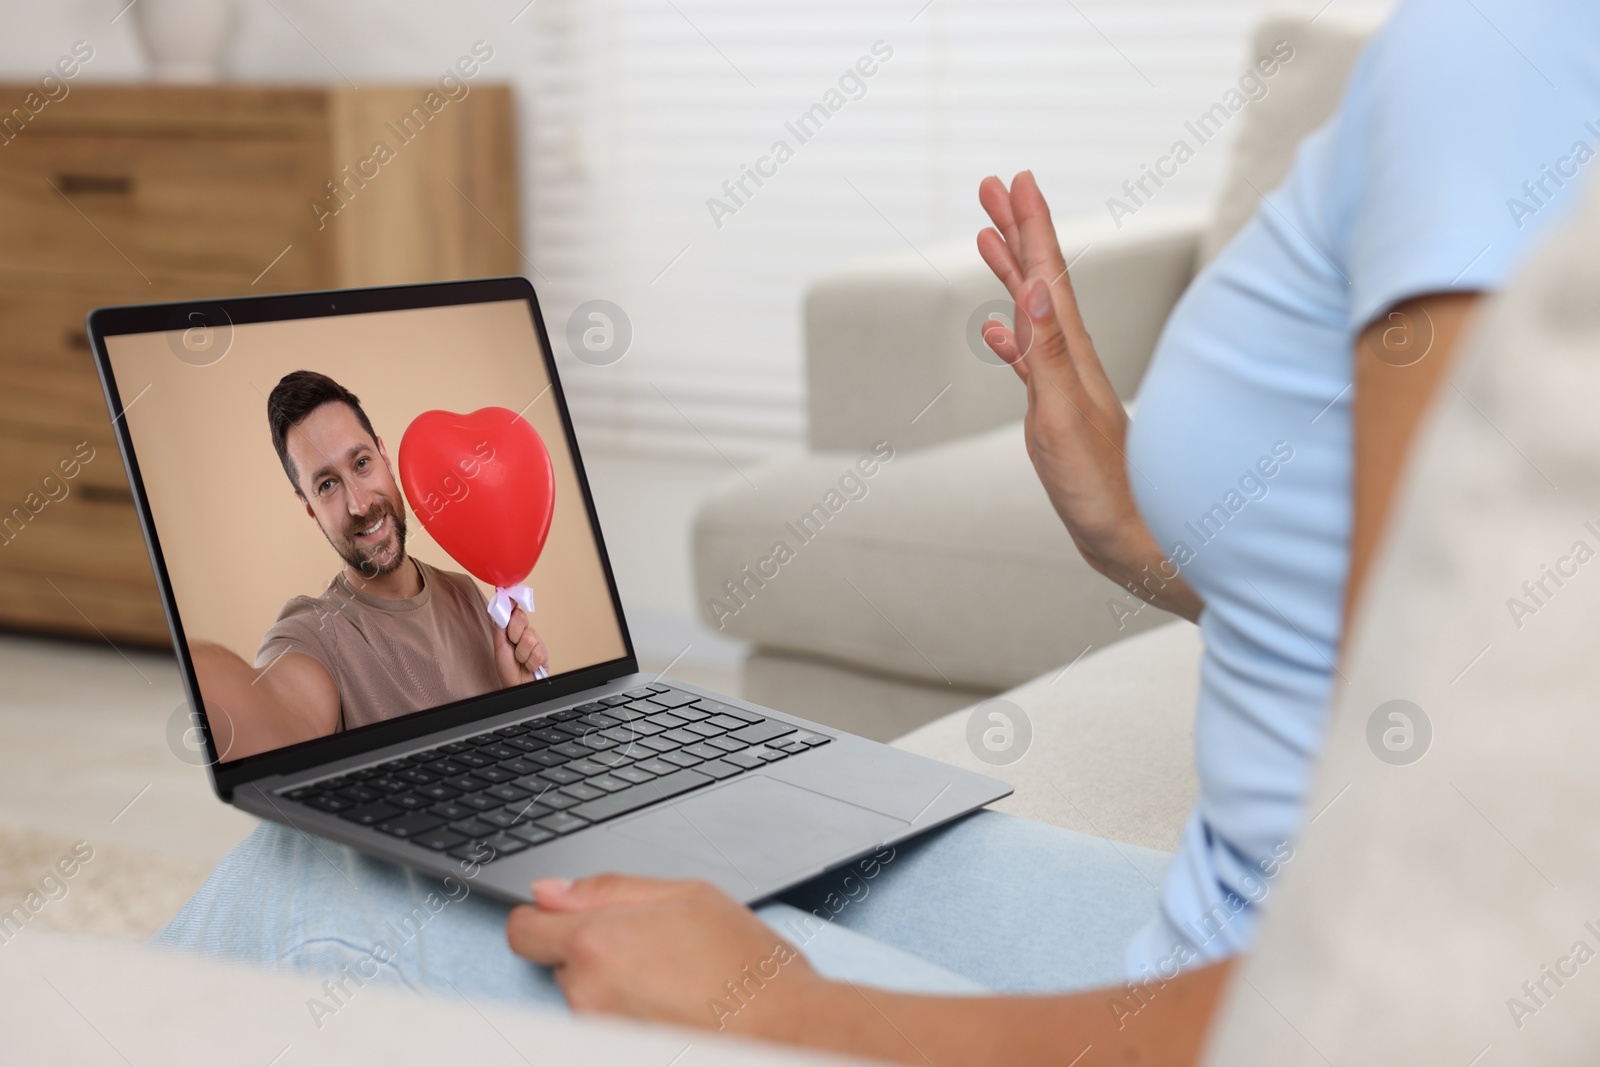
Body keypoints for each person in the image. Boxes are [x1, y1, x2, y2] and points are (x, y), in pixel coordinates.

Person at [154, 1, 1600, 1062]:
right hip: (1245, 940)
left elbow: (1411, 990)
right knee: (789, 834)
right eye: (325, 481)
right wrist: (1140, 527)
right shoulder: (346, 624)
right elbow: (1443, 637)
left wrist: (783, 1001)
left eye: (363, 462)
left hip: (1279, 1003)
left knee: (302, 879)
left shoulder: (1504, 59)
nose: (359, 494)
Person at [189, 371, 548, 761]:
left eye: (361, 463)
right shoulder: (313, 633)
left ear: (384, 455)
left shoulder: (466, 593)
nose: (359, 504)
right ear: (309, 506)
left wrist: (523, 698)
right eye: (327, 485)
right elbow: (282, 718)